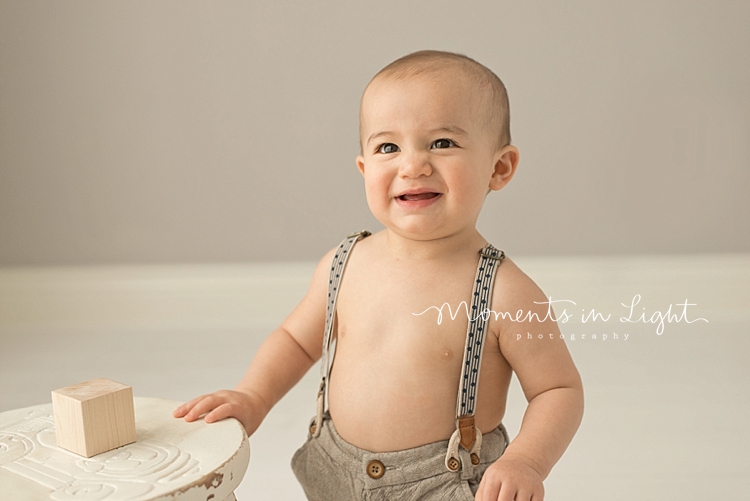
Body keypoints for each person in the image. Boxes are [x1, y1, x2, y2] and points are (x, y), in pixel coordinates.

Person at [173, 50, 583, 501]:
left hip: (445, 481)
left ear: (499, 167)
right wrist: (254, 396)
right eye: (389, 147)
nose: (413, 166)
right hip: (335, 469)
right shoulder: (343, 263)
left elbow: (557, 390)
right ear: (365, 169)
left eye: (442, 143)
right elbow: (295, 340)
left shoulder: (505, 291)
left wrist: (526, 461)